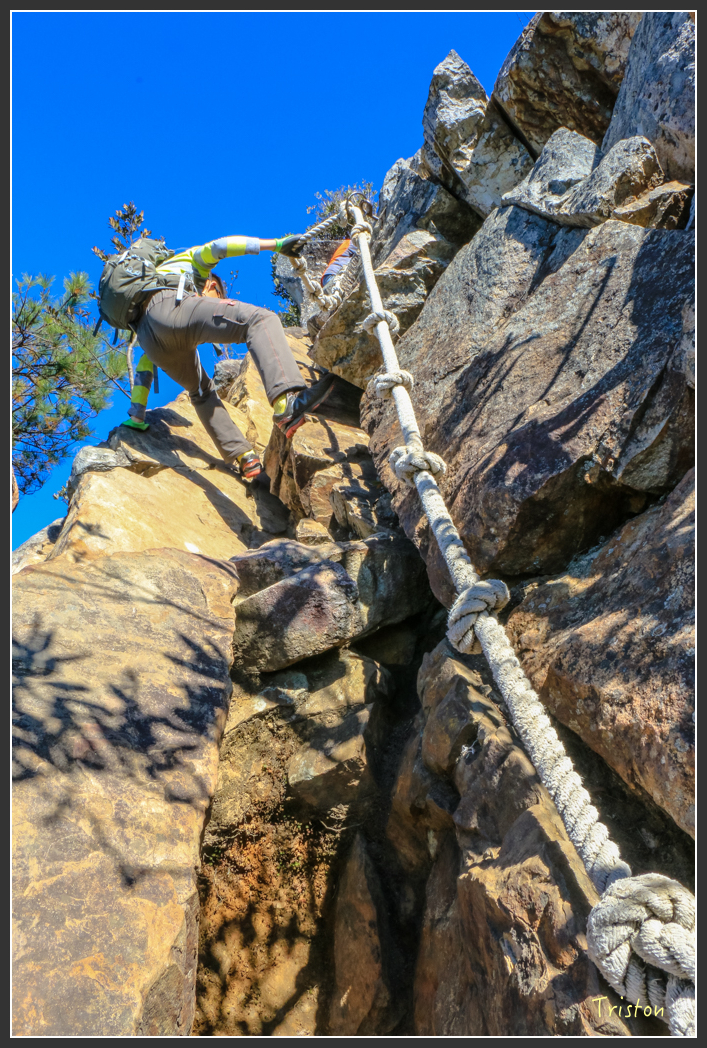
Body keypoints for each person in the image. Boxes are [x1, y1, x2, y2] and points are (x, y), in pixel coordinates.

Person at [120, 233, 335, 481]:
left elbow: (146, 362)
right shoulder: (191, 263)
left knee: (201, 392)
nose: (222, 304)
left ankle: (247, 460)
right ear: (212, 287)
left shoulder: (153, 283)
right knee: (260, 320)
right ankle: (286, 402)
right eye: (221, 299)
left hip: (149, 338)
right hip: (171, 305)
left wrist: (137, 414)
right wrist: (276, 245)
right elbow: (220, 246)